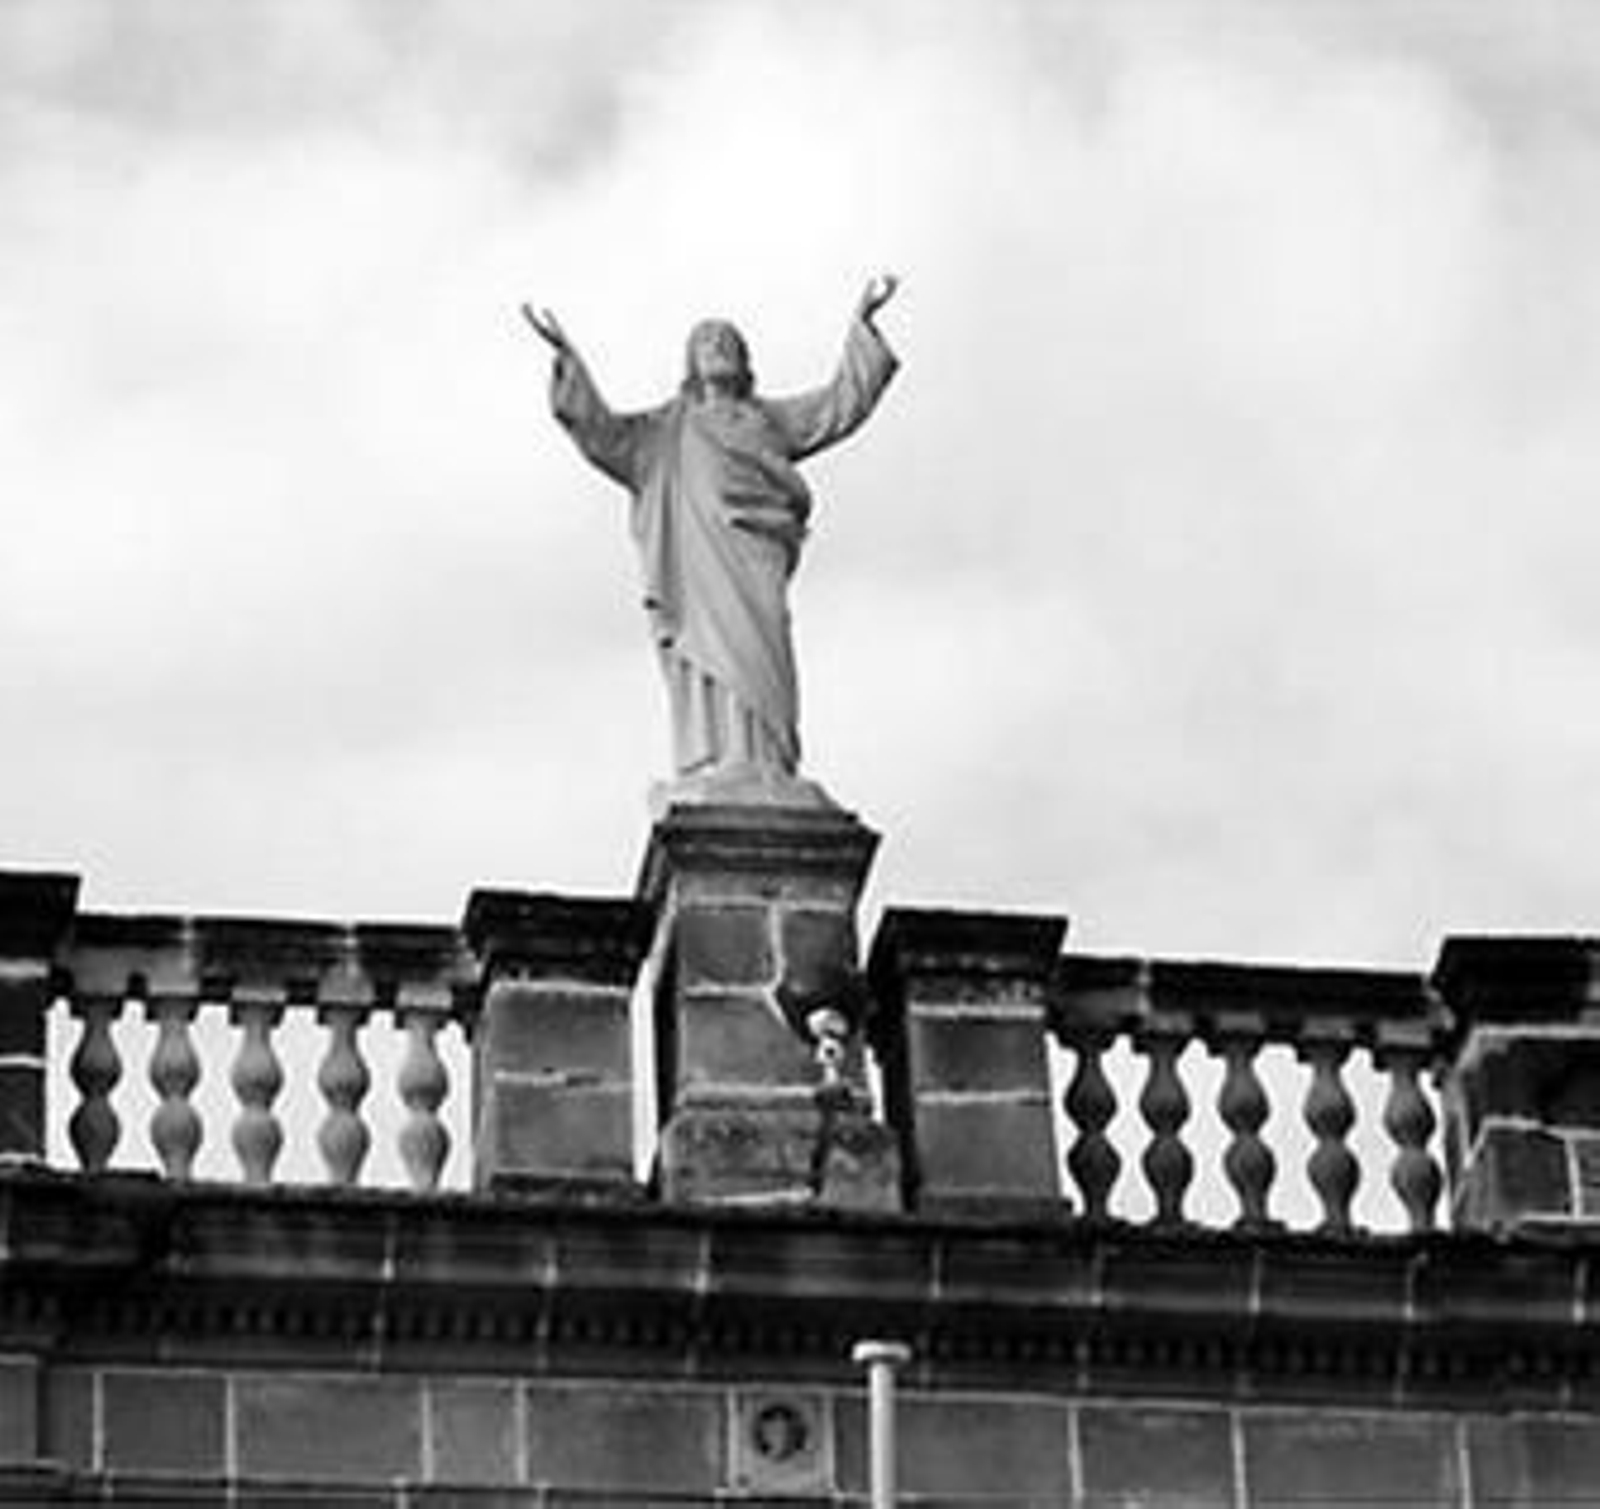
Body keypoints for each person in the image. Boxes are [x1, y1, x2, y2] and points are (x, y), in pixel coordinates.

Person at [523, 276, 899, 795]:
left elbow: (838, 405)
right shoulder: (661, 434)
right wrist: (568, 361)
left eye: (728, 341)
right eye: (706, 342)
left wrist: (864, 329)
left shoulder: (769, 420)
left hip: (755, 558)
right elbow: (603, 433)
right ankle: (716, 761)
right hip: (697, 567)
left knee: (764, 659)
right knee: (707, 658)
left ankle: (767, 764)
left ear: (745, 363)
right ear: (691, 365)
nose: (718, 346)